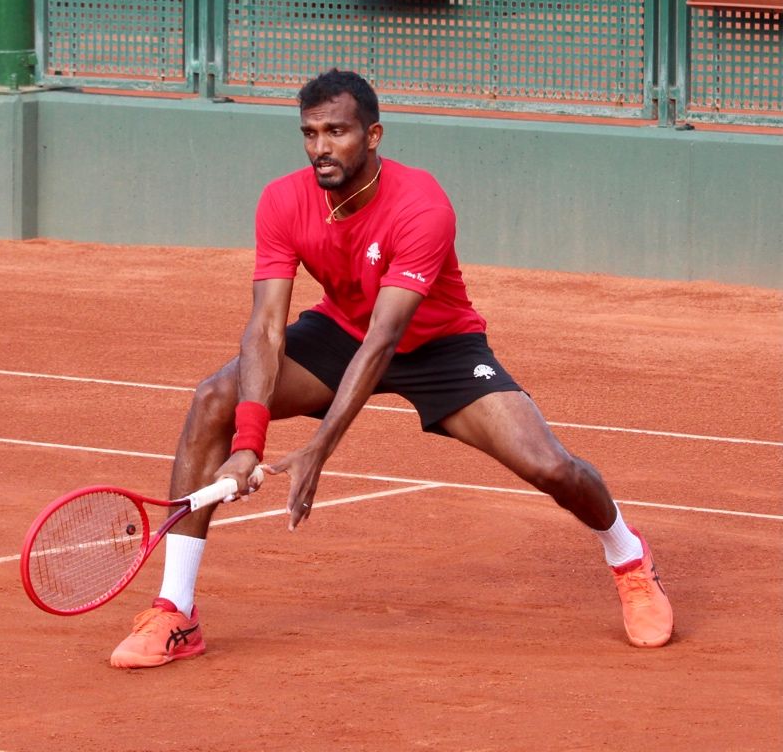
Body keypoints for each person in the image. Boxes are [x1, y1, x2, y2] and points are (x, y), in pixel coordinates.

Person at [109, 69, 673, 669]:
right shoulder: (282, 199)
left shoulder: (421, 205)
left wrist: (317, 450)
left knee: (550, 466)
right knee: (213, 398)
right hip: (340, 330)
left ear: (373, 135)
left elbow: (384, 340)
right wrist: (249, 441)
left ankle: (628, 555)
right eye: (309, 133)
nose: (321, 147)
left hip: (438, 346)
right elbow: (266, 328)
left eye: (337, 131)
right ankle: (177, 611)